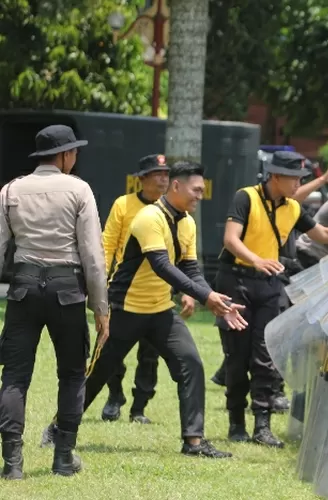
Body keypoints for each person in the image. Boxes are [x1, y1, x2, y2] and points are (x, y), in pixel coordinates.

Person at [71, 161, 243, 458]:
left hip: (161, 310)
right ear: (177, 186)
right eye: (197, 189)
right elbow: (161, 265)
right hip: (125, 309)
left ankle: (194, 442)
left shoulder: (187, 221)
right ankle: (60, 428)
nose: (200, 195)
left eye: (202, 190)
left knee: (191, 364)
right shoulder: (148, 217)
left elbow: (190, 267)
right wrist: (205, 297)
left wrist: (212, 295)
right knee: (98, 373)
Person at [217, 151, 328, 449]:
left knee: (265, 355)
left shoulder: (292, 208)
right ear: (275, 176)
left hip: (269, 285)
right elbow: (230, 239)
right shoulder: (245, 198)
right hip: (236, 281)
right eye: (295, 179)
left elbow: (323, 233)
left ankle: (262, 425)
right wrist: (257, 260)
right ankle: (236, 422)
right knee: (237, 355)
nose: (298, 184)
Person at [0, 125, 108, 479]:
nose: (76, 158)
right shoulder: (79, 189)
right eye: (74, 151)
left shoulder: (11, 190)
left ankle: (12, 464)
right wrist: (101, 308)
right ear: (64, 155)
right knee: (73, 374)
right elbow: (93, 256)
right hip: (67, 289)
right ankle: (63, 457)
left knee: (15, 376)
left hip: (24, 285)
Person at [100, 154, 176, 424]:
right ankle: (114, 395)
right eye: (157, 173)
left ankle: (139, 408)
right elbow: (108, 244)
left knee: (150, 354)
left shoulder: (173, 209)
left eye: (166, 173)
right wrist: (99, 283)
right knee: (111, 349)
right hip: (123, 292)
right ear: (142, 178)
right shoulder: (123, 204)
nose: (163, 178)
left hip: (158, 294)